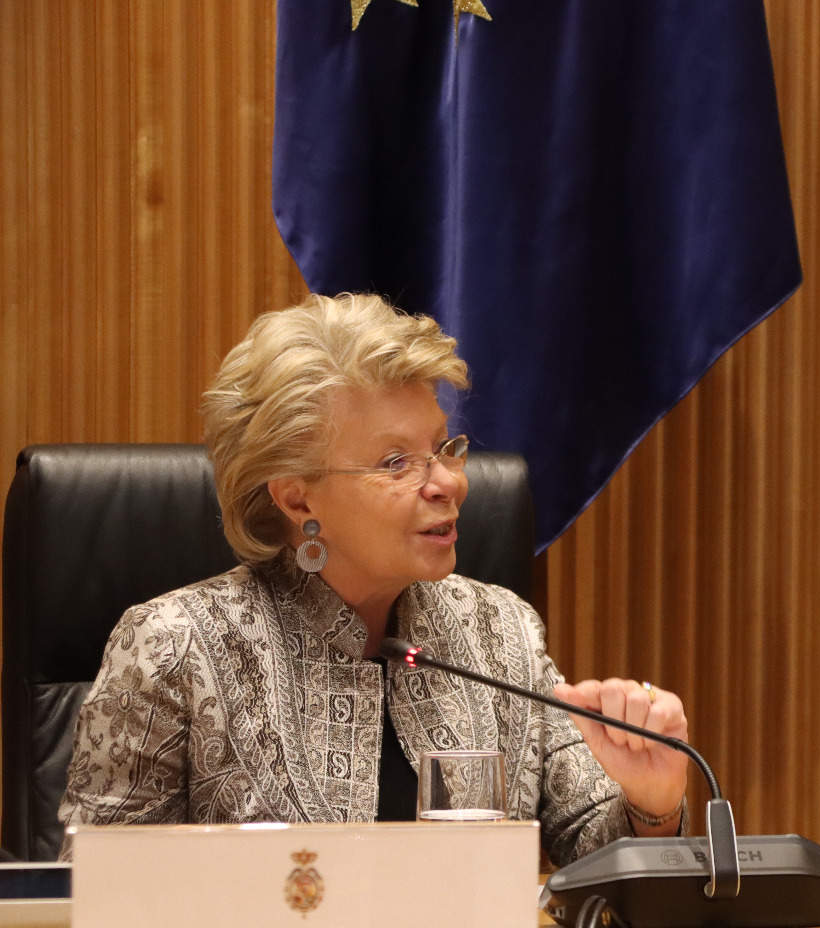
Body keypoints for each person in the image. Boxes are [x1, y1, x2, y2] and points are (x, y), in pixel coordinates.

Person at [58, 293, 689, 865]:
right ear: (297, 500)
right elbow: (94, 908)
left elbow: (594, 858)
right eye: (395, 462)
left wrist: (651, 803)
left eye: (443, 447)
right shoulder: (175, 648)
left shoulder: (501, 631)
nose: (449, 483)